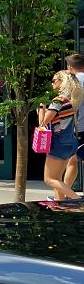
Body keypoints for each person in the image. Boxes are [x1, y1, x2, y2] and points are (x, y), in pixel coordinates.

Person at [39, 70, 83, 200]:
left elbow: (43, 123)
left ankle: (78, 201)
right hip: (69, 143)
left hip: (58, 144)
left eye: (54, 80)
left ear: (62, 82)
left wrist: (41, 109)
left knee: (49, 179)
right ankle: (60, 205)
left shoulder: (58, 101)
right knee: (58, 179)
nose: (52, 83)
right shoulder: (69, 101)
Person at [64, 54, 84, 191]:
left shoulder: (73, 82)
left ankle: (64, 194)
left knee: (72, 161)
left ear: (70, 67)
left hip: (78, 127)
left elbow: (66, 105)